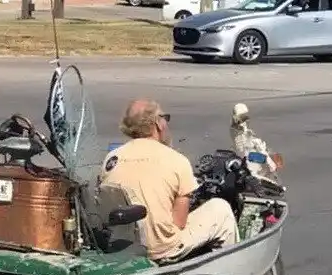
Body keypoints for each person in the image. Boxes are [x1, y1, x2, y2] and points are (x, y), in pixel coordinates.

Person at [97, 99, 238, 264]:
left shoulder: (111, 158)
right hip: (161, 250)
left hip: (124, 245)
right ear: (158, 123)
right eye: (165, 118)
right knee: (221, 209)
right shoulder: (177, 160)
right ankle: (229, 270)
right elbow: (179, 223)